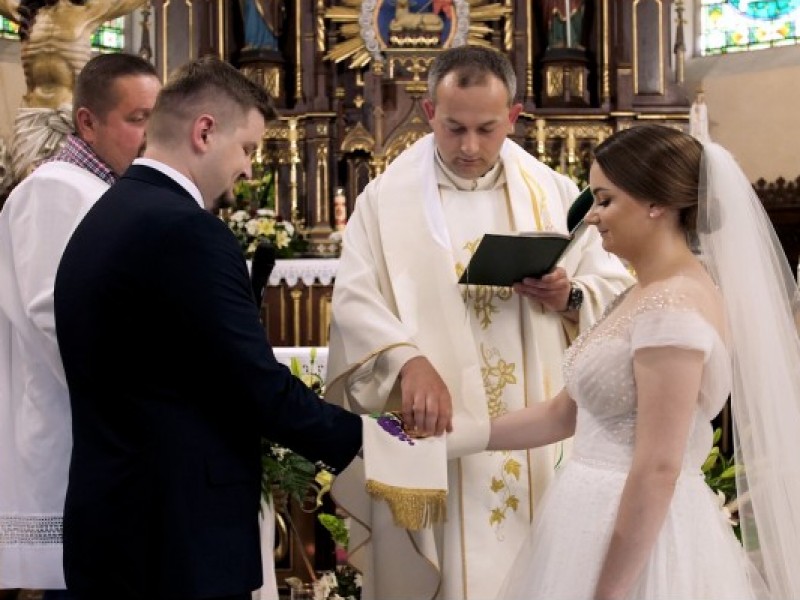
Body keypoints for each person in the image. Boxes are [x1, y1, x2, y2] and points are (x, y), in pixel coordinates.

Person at [325, 45, 633, 600]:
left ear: (513, 116)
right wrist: (405, 360)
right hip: (435, 426)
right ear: (429, 113)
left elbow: (619, 289)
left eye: (487, 129)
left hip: (537, 435)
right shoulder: (384, 201)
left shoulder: (557, 195)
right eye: (454, 128)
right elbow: (353, 300)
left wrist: (569, 295)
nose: (469, 147)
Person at [53, 55, 363, 600]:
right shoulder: (187, 230)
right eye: (247, 149)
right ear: (204, 132)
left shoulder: (106, 214)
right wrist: (370, 439)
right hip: (177, 542)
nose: (248, 170)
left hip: (112, 526)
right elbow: (255, 386)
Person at [489, 123, 800, 599]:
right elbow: (562, 413)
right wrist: (450, 438)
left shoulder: (672, 306)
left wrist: (608, 594)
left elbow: (658, 466)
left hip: (639, 538)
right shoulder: (639, 294)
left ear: (656, 203)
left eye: (605, 200)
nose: (592, 217)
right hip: (588, 515)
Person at [0, 52, 160, 598]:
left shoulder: (104, 191)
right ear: (87, 122)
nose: (150, 135)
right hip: (76, 434)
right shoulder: (54, 191)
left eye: (157, 119)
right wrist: (142, 404)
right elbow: (57, 318)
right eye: (137, 119)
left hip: (107, 441)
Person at [0, 0, 144, 183]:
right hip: (32, 121)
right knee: (27, 185)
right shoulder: (25, 14)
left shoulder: (89, 11)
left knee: (72, 183)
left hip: (70, 119)